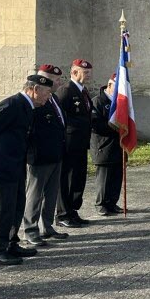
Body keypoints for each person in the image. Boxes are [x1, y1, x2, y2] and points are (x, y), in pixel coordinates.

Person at [0, 74, 53, 265]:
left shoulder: (27, 106)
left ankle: (10, 244)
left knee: (16, 206)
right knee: (4, 208)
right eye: (47, 93)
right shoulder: (12, 104)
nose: (48, 97)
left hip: (14, 163)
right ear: (35, 89)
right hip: (0, 164)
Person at [21, 64, 70, 246]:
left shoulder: (53, 98)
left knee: (51, 193)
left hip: (56, 153)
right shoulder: (33, 101)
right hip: (40, 155)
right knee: (35, 193)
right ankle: (30, 230)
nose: (56, 83)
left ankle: (47, 226)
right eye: (52, 79)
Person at [55, 58, 94, 228]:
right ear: (74, 72)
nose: (88, 76)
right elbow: (60, 117)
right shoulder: (66, 91)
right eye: (85, 73)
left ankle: (73, 211)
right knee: (67, 178)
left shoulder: (83, 91)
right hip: (69, 144)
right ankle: (63, 213)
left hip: (81, 143)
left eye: (89, 73)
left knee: (78, 178)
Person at [91, 74, 125, 216]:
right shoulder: (98, 101)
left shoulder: (121, 103)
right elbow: (95, 125)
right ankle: (101, 204)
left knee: (117, 176)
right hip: (103, 145)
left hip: (118, 145)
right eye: (117, 88)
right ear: (110, 85)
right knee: (104, 178)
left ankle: (112, 202)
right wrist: (115, 127)